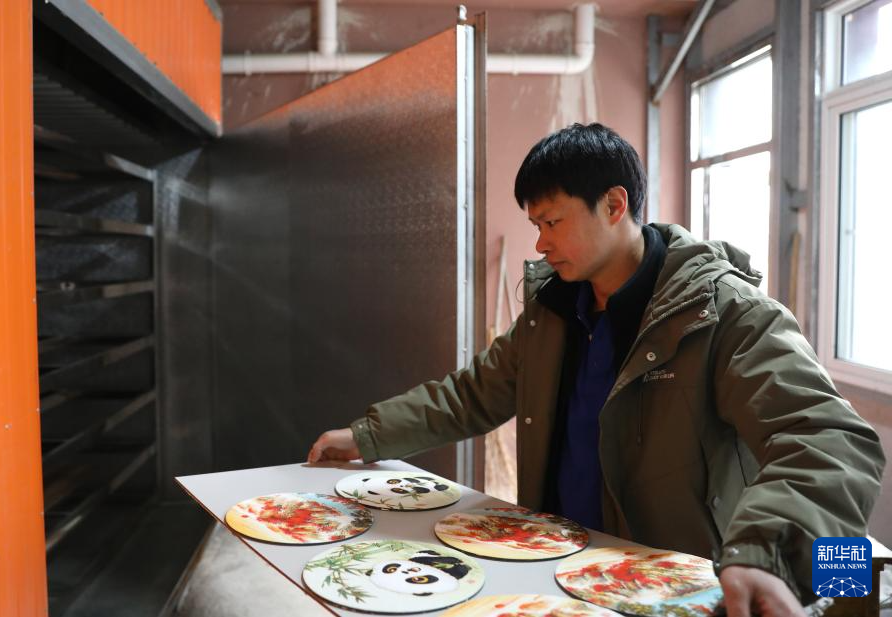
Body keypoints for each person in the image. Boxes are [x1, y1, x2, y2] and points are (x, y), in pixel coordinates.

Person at [307, 123, 885, 615]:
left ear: (614, 205)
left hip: (672, 587)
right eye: (535, 226)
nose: (540, 243)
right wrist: (367, 435)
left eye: (552, 222)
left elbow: (827, 438)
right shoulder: (555, 310)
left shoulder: (723, 313)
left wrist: (764, 552)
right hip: (559, 571)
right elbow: (472, 394)